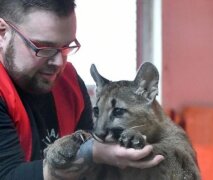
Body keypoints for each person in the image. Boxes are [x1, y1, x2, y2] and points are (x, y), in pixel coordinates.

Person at [0, 0, 164, 179]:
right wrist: (91, 154)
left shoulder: (68, 82)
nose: (59, 62)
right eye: (44, 48)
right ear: (3, 33)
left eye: (66, 47)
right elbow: (8, 175)